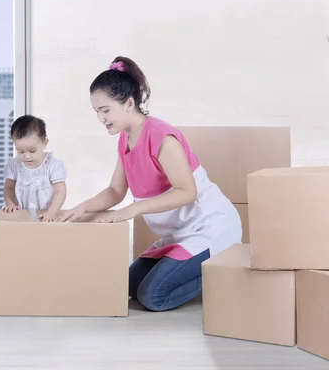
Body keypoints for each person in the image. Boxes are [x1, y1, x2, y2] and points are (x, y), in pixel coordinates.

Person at [59, 56, 241, 312]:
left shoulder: (161, 137)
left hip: (209, 228)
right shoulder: (125, 140)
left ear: (129, 104)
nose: (101, 118)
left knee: (153, 297)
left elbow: (187, 192)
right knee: (130, 286)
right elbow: (115, 191)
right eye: (96, 112)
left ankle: (221, 272)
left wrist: (132, 211)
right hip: (178, 233)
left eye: (105, 110)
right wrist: (82, 208)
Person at [2, 115, 67, 222]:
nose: (26, 156)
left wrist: (51, 212)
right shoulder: (14, 164)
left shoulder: (53, 165)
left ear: (44, 143)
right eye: (20, 151)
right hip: (21, 217)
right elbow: (8, 188)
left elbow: (60, 191)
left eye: (32, 151)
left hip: (46, 216)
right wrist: (10, 204)